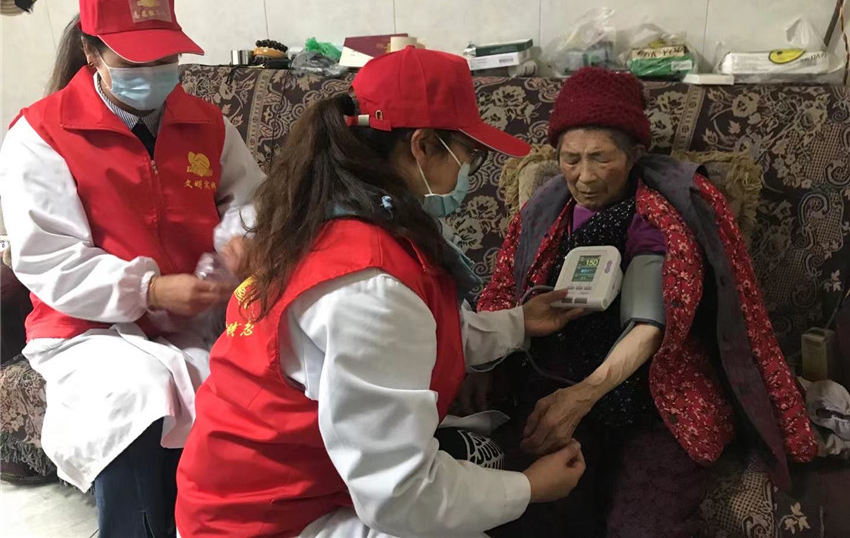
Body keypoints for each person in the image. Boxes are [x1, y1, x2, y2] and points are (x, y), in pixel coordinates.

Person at [176, 47, 588, 538]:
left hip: (270, 484)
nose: (468, 172)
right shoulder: (369, 286)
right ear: (423, 147)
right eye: (468, 155)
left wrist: (517, 324)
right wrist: (529, 489)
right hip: (262, 521)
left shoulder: (334, 216)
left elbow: (413, 335)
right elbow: (401, 495)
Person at [477, 67, 818, 538]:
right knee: (537, 513)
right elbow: (503, 295)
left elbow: (651, 323)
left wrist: (584, 395)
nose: (585, 177)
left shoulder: (652, 216)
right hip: (558, 375)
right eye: (571, 159)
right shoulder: (546, 213)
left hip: (652, 389)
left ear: (634, 155)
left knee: (644, 525)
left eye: (601, 158)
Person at [0, 0, 265, 538]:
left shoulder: (207, 123)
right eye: (134, 61)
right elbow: (47, 258)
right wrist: (148, 289)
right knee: (137, 394)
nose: (153, 73)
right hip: (88, 326)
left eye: (164, 58)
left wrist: (241, 239)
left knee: (245, 378)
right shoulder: (41, 136)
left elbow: (248, 200)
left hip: (197, 315)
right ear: (92, 53)